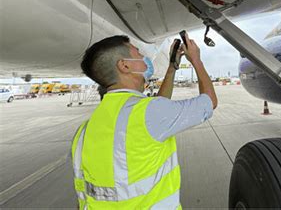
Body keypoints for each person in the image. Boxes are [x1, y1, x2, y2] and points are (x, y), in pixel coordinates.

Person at [71, 33, 217, 209]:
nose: (144, 58)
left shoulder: (84, 131)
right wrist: (196, 60)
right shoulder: (149, 113)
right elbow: (209, 102)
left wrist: (172, 67)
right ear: (124, 65)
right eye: (138, 54)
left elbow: (156, 111)